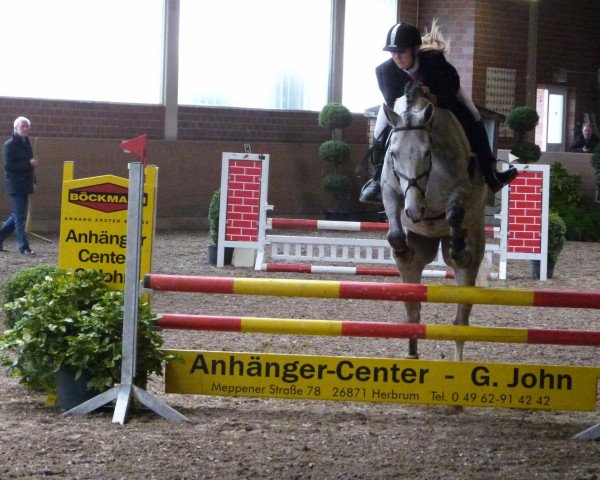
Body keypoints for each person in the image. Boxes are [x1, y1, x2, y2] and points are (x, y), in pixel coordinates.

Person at [360, 21, 518, 203]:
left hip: (444, 96)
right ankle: (377, 180)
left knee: (473, 115)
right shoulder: (384, 71)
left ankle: (491, 173)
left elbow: (451, 87)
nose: (397, 57)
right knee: (380, 133)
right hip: (402, 106)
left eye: (401, 51)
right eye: (393, 52)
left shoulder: (434, 61)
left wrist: (435, 97)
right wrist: (417, 94)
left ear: (416, 49)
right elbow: (393, 101)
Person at [0, 116, 39, 255]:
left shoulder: (27, 143)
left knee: (17, 215)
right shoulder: (9, 145)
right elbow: (9, 166)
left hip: (26, 184)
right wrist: (29, 163)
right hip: (15, 185)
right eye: (22, 126)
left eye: (27, 126)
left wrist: (34, 181)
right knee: (20, 216)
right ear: (15, 128)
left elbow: (31, 167)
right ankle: (23, 246)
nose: (25, 129)